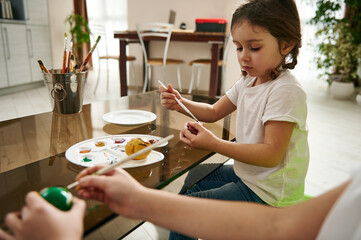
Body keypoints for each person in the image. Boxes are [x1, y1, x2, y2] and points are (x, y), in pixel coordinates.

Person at [162, 1, 307, 237]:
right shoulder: (248, 81)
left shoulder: (286, 90)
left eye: (254, 48)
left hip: (268, 194)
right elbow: (213, 111)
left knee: (182, 216)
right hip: (249, 176)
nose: (243, 57)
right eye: (239, 48)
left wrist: (214, 144)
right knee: (192, 178)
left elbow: (271, 155)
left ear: (286, 44)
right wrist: (180, 103)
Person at [1, 164, 360, 240]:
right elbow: (283, 228)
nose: (243, 57)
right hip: (250, 183)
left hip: (262, 190)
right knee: (189, 185)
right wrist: (142, 200)